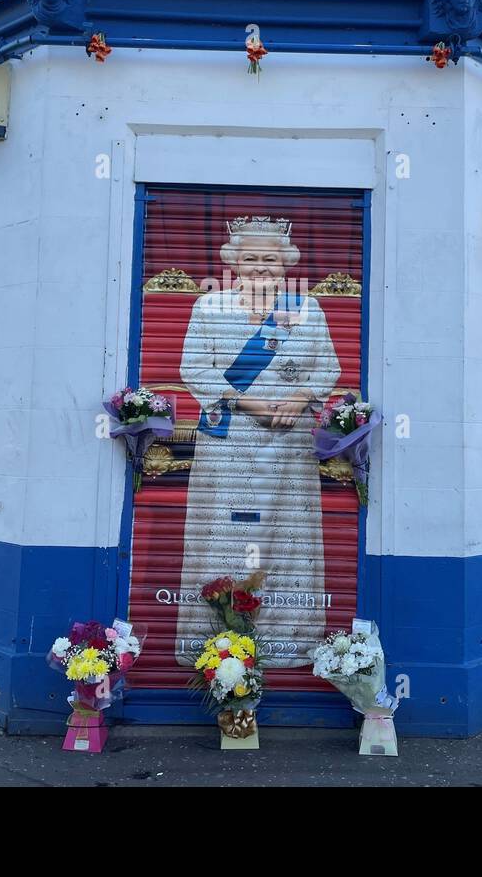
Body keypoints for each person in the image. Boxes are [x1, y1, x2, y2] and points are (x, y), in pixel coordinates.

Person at [175, 216, 341, 669]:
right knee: (227, 533)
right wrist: (247, 403)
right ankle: (216, 640)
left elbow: (327, 369)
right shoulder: (210, 307)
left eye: (270, 258)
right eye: (251, 258)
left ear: (286, 263)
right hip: (229, 438)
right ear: (233, 261)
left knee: (284, 537)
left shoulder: (306, 307)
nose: (261, 267)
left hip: (286, 442)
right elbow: (194, 368)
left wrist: (300, 396)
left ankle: (285, 635)